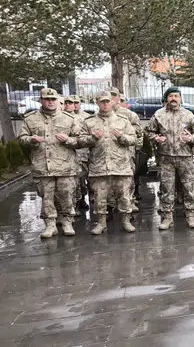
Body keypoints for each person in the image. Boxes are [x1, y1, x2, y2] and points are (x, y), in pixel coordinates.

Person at [19, 88, 83, 239]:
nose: (50, 102)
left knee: (66, 195)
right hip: (42, 166)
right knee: (47, 197)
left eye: (53, 99)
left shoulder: (69, 119)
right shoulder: (30, 119)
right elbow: (21, 138)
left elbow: (81, 140)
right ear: (41, 100)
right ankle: (50, 225)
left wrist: (68, 140)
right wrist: (31, 140)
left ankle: (67, 222)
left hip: (65, 167)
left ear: (57, 101)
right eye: (47, 99)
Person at [146, 86, 194, 229]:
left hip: (185, 157)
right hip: (166, 158)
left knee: (189, 187)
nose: (173, 99)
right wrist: (156, 138)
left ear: (180, 98)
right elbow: (149, 132)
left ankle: (190, 215)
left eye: (176, 96)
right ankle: (167, 217)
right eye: (171, 96)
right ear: (166, 98)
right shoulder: (159, 115)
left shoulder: (188, 114)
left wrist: (191, 138)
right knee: (167, 188)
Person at [80, 91, 137, 235]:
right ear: (97, 103)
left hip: (120, 166)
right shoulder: (89, 122)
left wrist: (122, 137)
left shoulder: (123, 121)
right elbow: (80, 141)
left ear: (112, 102)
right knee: (100, 198)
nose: (105, 104)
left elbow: (133, 139)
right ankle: (101, 223)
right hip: (99, 167)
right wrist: (92, 138)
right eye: (102, 102)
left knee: (124, 196)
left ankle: (126, 221)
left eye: (107, 101)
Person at [64, 96, 90, 214]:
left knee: (81, 180)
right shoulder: (60, 118)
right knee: (70, 183)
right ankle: (71, 206)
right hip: (65, 156)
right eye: (68, 103)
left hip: (82, 154)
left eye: (75, 103)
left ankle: (81, 200)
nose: (73, 105)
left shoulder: (83, 118)